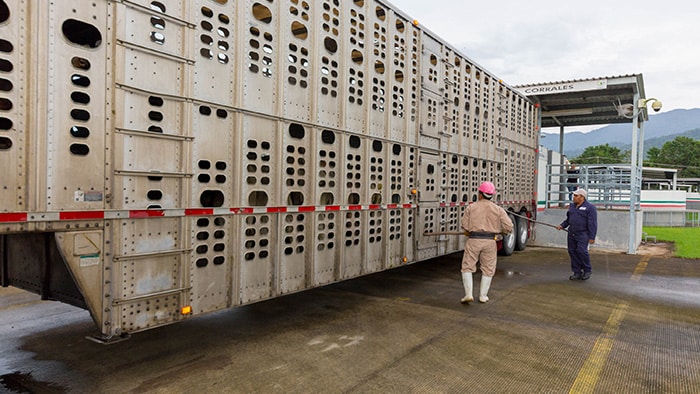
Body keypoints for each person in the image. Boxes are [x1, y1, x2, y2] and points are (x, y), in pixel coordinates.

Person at [459, 181, 514, 303]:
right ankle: (483, 296)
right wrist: (503, 231)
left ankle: (468, 294)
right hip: (490, 241)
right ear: (492, 195)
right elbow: (509, 226)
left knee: (467, 267)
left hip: (473, 240)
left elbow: (465, 225)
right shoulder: (498, 209)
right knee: (488, 268)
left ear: (480, 194)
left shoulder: (471, 207)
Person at [556, 189, 597, 280]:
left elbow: (592, 223)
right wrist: (562, 226)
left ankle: (587, 270)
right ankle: (577, 271)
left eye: (576, 196)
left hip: (583, 233)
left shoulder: (590, 208)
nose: (573, 197)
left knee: (581, 251)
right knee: (572, 252)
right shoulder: (572, 207)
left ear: (582, 197)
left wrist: (592, 236)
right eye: (574, 195)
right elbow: (568, 220)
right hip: (572, 233)